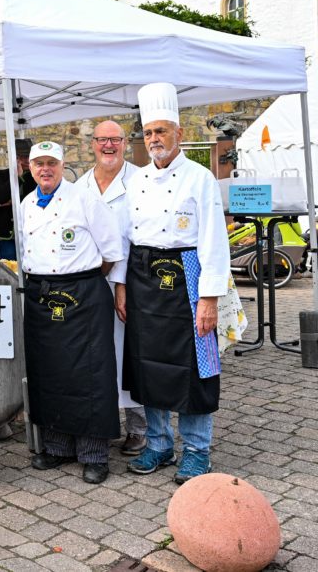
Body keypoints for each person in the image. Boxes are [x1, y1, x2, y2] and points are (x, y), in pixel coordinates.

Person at [119, 83, 230, 484]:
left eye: (161, 131)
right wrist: (121, 285)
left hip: (188, 274)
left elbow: (214, 240)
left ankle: (197, 451)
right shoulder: (135, 180)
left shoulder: (200, 178)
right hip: (143, 275)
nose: (154, 140)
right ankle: (159, 445)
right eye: (149, 133)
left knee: (196, 367)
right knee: (149, 367)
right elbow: (123, 237)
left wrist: (209, 299)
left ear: (179, 134)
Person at [21, 141, 124, 484]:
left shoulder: (84, 198)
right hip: (40, 294)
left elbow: (112, 250)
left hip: (82, 293)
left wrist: (84, 281)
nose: (45, 169)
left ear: (62, 166)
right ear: (30, 169)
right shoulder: (26, 204)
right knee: (50, 372)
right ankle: (58, 446)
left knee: (90, 373)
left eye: (52, 163)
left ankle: (94, 453)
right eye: (39, 164)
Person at [75, 120, 148, 456]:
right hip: (89, 283)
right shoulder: (80, 186)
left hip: (131, 281)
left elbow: (136, 239)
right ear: (92, 144)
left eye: (114, 140)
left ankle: (139, 428)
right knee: (95, 357)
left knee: (130, 354)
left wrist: (120, 285)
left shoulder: (141, 181)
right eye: (102, 140)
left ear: (124, 142)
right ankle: (98, 426)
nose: (108, 146)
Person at [0, 139, 36, 260]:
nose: (26, 160)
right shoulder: (0, 174)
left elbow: (33, 200)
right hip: (5, 233)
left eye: (28, 156)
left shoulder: (36, 176)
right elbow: (1, 197)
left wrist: (11, 202)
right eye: (22, 157)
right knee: (10, 268)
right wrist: (16, 177)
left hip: (29, 232)